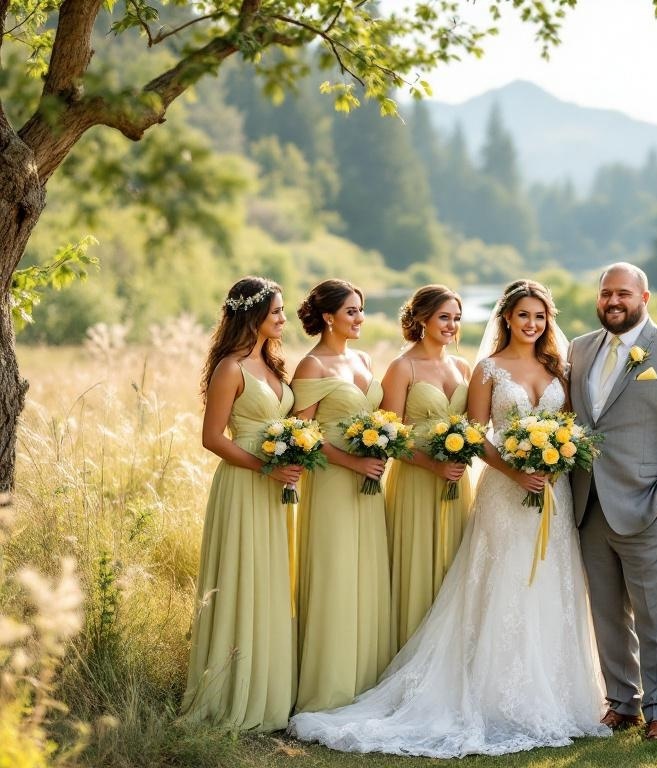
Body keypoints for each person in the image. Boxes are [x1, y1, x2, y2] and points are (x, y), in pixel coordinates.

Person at [288, 279, 608, 757]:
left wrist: (556, 459)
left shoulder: (558, 368)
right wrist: (516, 472)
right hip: (505, 489)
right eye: (524, 315)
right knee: (501, 584)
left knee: (549, 584)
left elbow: (569, 426)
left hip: (552, 494)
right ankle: (493, 694)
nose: (533, 324)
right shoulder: (485, 369)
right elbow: (477, 433)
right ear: (506, 318)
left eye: (540, 316)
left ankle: (555, 694)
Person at [568, 262, 657, 741]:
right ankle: (622, 703)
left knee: (655, 612)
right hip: (588, 504)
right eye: (606, 293)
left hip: (650, 506)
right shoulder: (579, 349)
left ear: (644, 297)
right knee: (606, 612)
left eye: (623, 293)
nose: (612, 302)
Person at [182, 276, 300, 731]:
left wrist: (294, 452)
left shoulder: (273, 365)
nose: (283, 319)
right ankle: (231, 691)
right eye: (276, 312)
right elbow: (212, 438)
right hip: (244, 482)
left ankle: (269, 692)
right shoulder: (230, 368)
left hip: (277, 487)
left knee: (270, 581)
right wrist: (264, 467)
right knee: (240, 579)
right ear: (253, 315)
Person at [288, 279, 391, 713]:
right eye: (351, 311)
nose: (359, 318)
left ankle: (365, 681)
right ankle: (328, 688)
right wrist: (353, 463)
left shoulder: (364, 358)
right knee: (335, 575)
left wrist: (382, 445)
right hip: (332, 483)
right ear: (327, 316)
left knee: (367, 576)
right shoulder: (312, 366)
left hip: (368, 487)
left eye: (361, 310)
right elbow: (302, 434)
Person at [380, 285, 472, 653]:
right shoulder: (402, 367)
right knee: (417, 570)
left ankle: (448, 657)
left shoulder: (463, 366)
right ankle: (411, 654)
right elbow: (390, 435)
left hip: (457, 482)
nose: (451, 325)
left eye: (456, 318)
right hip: (417, 479)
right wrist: (432, 465)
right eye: (444, 317)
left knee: (454, 566)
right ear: (422, 319)